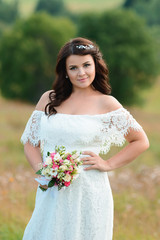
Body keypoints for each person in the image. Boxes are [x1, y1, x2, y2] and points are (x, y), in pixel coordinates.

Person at [21, 37, 149, 240]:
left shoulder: (107, 103)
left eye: (86, 65)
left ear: (96, 66)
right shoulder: (49, 99)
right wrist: (44, 172)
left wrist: (107, 163)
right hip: (53, 190)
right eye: (73, 67)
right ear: (65, 71)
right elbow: (30, 142)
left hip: (90, 191)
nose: (81, 73)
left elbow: (141, 141)